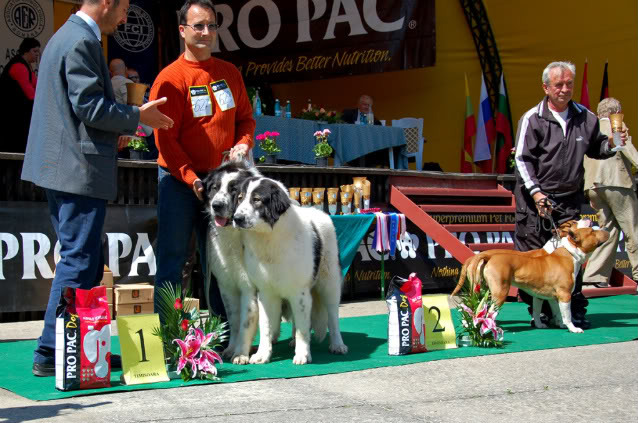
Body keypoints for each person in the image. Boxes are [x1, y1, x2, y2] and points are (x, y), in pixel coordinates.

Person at [21, 0, 174, 377]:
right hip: (75, 169)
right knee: (79, 259)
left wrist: (114, 131)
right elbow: (89, 106)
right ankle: (53, 350)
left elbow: (79, 111)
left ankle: (85, 348)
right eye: (123, 8)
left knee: (84, 258)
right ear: (106, 2)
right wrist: (138, 116)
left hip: (69, 166)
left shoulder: (69, 37)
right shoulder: (80, 40)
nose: (125, 17)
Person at [149, 0, 255, 321]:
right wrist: (191, 178)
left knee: (222, 260)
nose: (206, 32)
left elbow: (246, 120)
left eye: (211, 25)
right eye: (198, 26)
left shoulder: (229, 73)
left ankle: (225, 334)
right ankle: (170, 335)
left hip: (221, 182)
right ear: (183, 31)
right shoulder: (170, 78)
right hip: (179, 183)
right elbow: (164, 139)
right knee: (173, 257)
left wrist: (242, 144)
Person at [513, 61, 627, 329]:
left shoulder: (585, 117)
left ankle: (573, 311)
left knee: (573, 260)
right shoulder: (532, 118)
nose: (565, 89)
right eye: (558, 84)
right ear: (546, 87)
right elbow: (521, 159)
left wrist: (611, 144)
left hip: (568, 199)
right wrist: (537, 193)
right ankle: (539, 314)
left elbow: (597, 147)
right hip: (535, 199)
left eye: (569, 84)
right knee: (534, 259)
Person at [583, 97, 638, 286]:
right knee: (633, 231)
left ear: (599, 113)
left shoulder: (590, 128)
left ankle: (594, 277)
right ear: (617, 112)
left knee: (608, 231)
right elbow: (627, 149)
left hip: (593, 187)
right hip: (617, 183)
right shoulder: (618, 124)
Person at [0, 37, 41, 153]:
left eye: (38, 51)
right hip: (11, 119)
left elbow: (38, 87)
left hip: (19, 117)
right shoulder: (18, 66)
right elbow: (31, 95)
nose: (37, 54)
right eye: (35, 51)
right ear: (26, 50)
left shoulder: (28, 66)